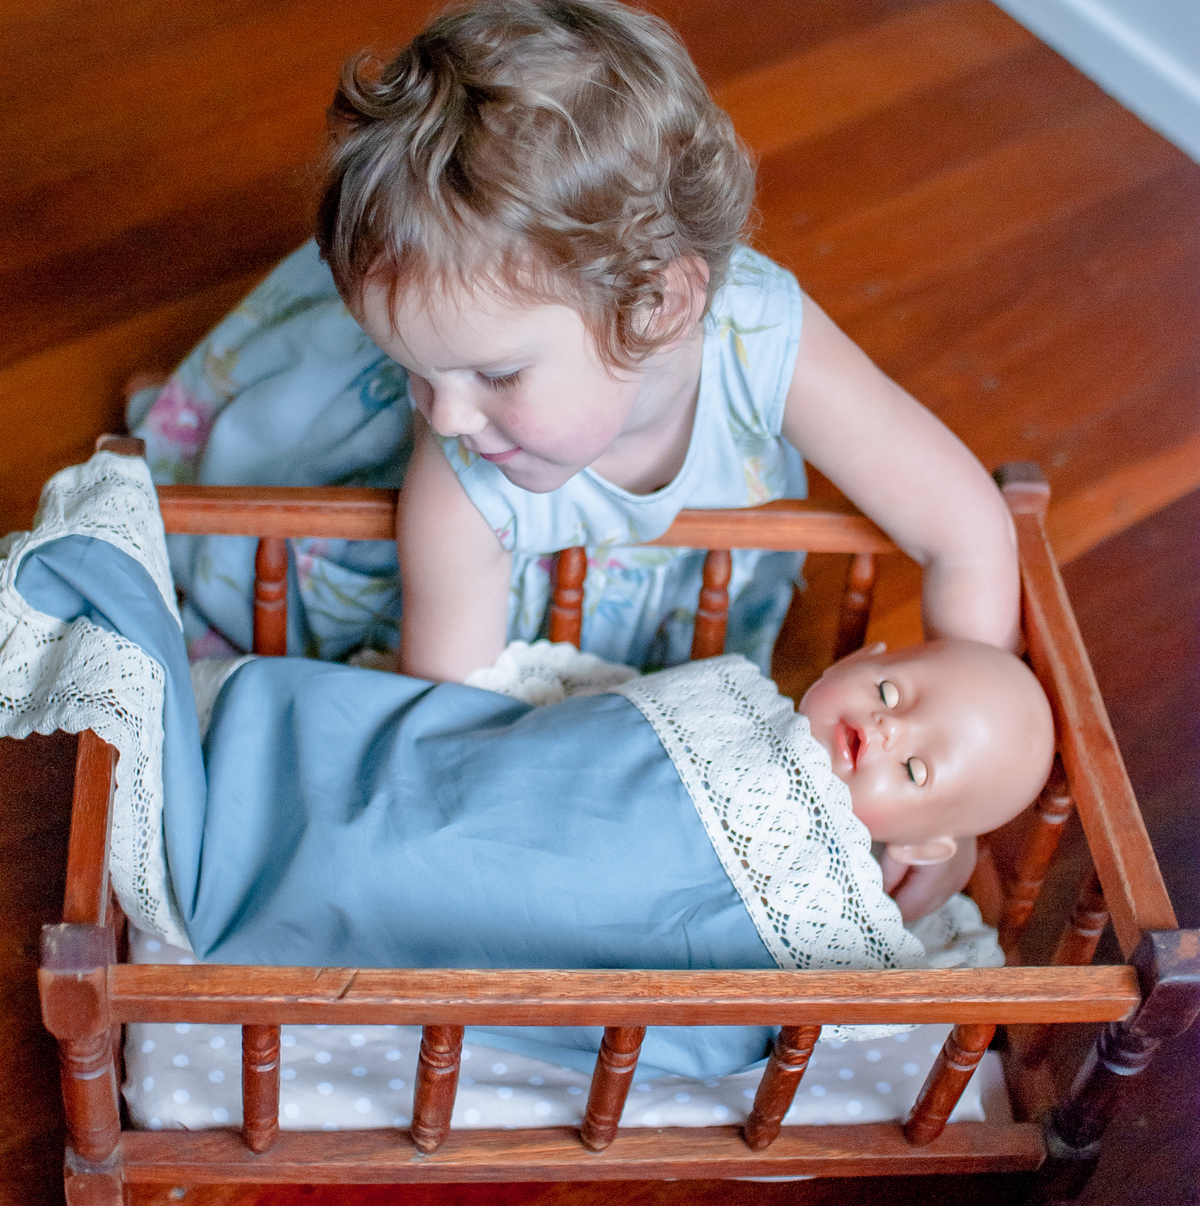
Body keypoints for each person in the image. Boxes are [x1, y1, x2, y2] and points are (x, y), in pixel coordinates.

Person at [129, 0, 1019, 916]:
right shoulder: (457, 470)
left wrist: (964, 798)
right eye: (415, 372)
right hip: (487, 629)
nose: (448, 415)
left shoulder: (764, 333)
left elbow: (970, 533)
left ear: (664, 306)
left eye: (498, 373)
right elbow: (441, 739)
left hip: (663, 602)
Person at [797, 639, 1054, 915]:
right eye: (888, 693)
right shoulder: (746, 696)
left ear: (917, 848)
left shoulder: (829, 907)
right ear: (854, 660)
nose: (892, 729)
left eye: (914, 770)